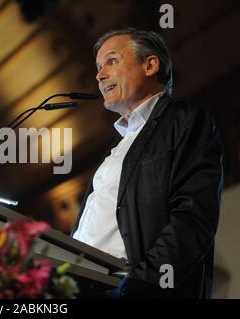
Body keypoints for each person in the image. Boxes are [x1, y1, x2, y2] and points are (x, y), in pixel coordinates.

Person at [71, 28, 224, 298]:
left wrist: (143, 284)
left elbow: (193, 216)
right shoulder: (116, 148)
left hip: (127, 287)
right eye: (97, 67)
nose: (99, 75)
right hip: (77, 285)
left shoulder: (185, 120)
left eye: (111, 61)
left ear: (150, 65)